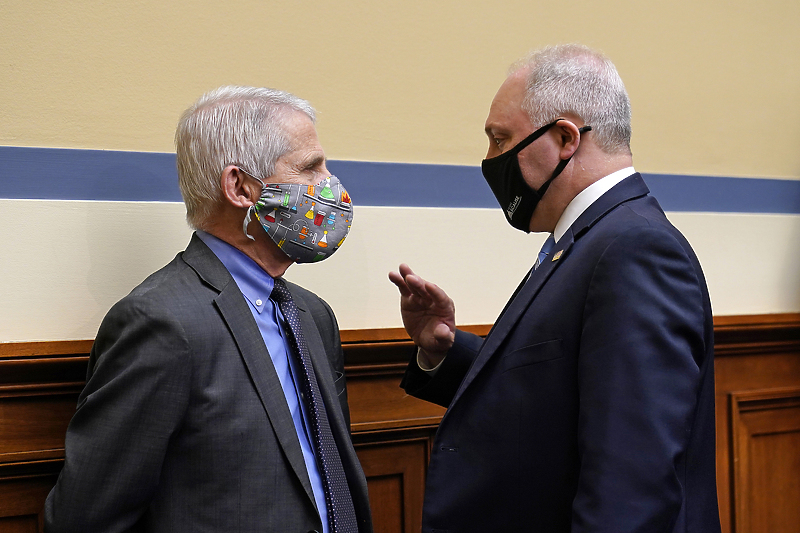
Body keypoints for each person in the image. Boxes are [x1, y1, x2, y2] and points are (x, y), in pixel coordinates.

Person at [389, 44, 721, 532]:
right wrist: (447, 349)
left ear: (565, 138)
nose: (490, 160)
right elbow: (557, 390)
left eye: (500, 140)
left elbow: (630, 486)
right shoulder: (590, 240)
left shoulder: (634, 249)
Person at [45, 86, 372, 533]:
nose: (331, 185)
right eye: (310, 167)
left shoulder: (313, 316)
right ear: (239, 187)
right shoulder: (160, 322)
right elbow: (85, 518)